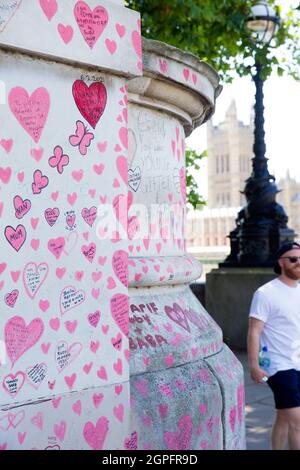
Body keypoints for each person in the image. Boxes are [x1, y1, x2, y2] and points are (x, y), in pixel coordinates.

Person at [248, 241, 300, 450]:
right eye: (293, 259)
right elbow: (254, 331)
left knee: (284, 416)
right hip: (278, 366)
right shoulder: (266, 293)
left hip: (297, 362)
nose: (298, 263)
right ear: (281, 262)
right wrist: (253, 366)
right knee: (297, 423)